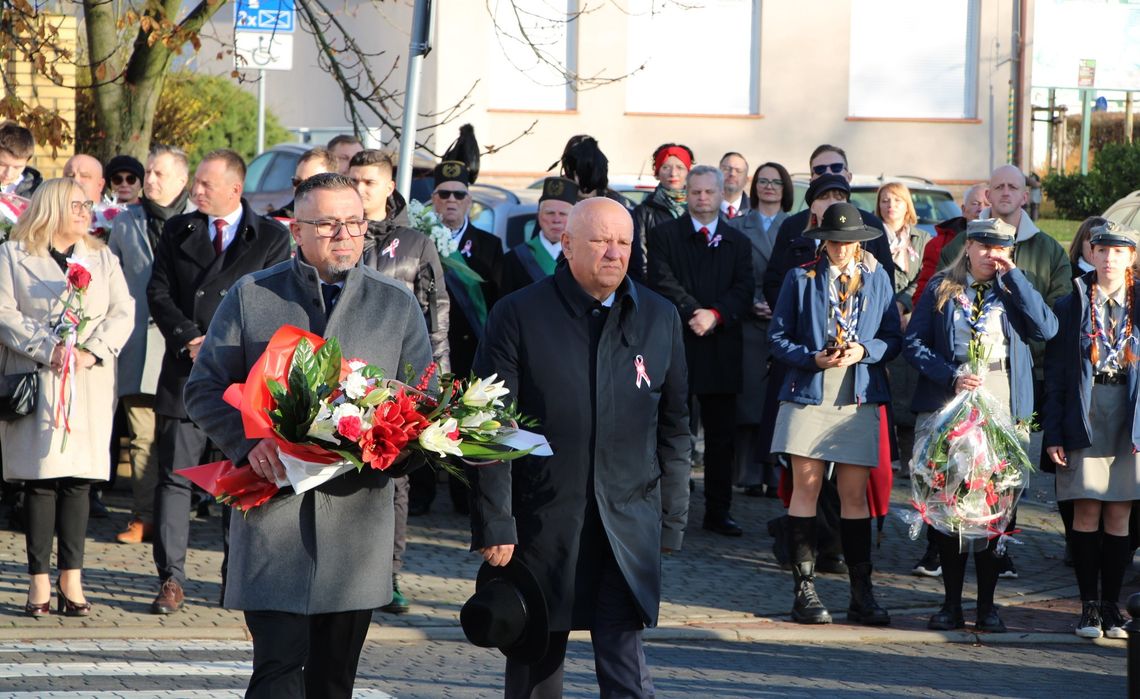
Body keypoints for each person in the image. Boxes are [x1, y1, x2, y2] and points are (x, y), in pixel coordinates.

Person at [183, 172, 432, 697]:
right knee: (275, 674)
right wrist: (250, 442)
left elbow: (422, 412)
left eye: (355, 222)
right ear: (296, 230)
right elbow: (203, 389)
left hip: (355, 529)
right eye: (328, 224)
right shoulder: (254, 295)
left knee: (333, 682)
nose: (345, 235)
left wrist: (395, 446)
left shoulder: (396, 304)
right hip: (275, 521)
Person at [469, 196, 690, 698]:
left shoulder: (659, 317)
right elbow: (488, 423)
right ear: (566, 245)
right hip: (541, 522)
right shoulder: (518, 313)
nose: (614, 253)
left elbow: (676, 426)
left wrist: (671, 519)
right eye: (600, 240)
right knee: (535, 668)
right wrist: (496, 521)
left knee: (625, 667)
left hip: (627, 523)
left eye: (623, 242)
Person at [146, 149, 291, 615]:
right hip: (186, 371)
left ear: (235, 188)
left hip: (241, 379)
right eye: (196, 183)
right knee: (174, 478)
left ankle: (235, 578)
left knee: (239, 479)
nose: (196, 191)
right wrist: (189, 337)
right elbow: (159, 291)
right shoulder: (178, 229)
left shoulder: (269, 236)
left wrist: (224, 345)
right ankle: (171, 578)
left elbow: (272, 302)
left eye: (206, 184)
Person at [905, 218, 1057, 632]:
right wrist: (947, 373)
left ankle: (987, 607)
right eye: (986, 247)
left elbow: (1046, 328)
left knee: (997, 506)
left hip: (1002, 395)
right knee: (950, 504)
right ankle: (951, 604)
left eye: (1002, 248)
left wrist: (1017, 280)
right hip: (951, 397)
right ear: (969, 247)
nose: (993, 255)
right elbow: (913, 342)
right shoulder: (942, 287)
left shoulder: (1014, 291)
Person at [0, 178, 133, 617]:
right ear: (53, 207)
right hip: (38, 378)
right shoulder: (13, 255)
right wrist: (47, 347)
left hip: (87, 382)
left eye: (88, 204)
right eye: (76, 204)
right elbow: (4, 313)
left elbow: (122, 311)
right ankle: (38, 582)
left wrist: (92, 351)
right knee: (41, 481)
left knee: (79, 480)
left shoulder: (101, 256)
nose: (85, 211)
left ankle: (71, 580)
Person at [767, 202, 902, 626]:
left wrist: (864, 351)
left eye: (848, 243)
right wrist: (811, 358)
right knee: (804, 489)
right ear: (822, 240)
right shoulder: (801, 277)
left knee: (854, 496)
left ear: (860, 242)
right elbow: (777, 337)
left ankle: (862, 592)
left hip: (856, 393)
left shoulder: (878, 278)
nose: (841, 250)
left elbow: (892, 338)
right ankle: (803, 591)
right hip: (809, 391)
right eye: (833, 242)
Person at [940, 164, 1073, 580]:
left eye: (1012, 186)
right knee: (956, 470)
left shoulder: (1047, 249)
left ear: (1024, 195)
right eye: (996, 186)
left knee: (1004, 472)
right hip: (961, 385)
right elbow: (942, 292)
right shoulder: (963, 243)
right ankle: (949, 552)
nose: (1003, 192)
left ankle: (999, 552)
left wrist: (1019, 348)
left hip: (1020, 375)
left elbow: (1056, 316)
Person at [351, 147, 451, 613]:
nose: (359, 190)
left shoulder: (414, 243)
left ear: (390, 186)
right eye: (354, 180)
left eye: (369, 182)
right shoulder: (338, 234)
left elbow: (437, 318)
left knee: (395, 481)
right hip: (344, 380)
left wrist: (438, 384)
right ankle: (345, 571)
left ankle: (387, 576)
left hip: (398, 382)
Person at [1044, 220, 1140, 640]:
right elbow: (1057, 376)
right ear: (1090, 253)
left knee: (1120, 512)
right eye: (1101, 250)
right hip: (1085, 411)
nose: (1109, 259)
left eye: (1118, 251)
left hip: (1130, 413)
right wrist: (1053, 433)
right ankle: (1087, 607)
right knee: (1086, 510)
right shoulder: (1073, 304)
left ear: (1131, 257)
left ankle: (1112, 607)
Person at [647, 165, 753, 537]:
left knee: (722, 440)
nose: (702, 198)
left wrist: (717, 314)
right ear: (686, 194)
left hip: (722, 348)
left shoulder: (738, 242)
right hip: (677, 345)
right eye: (696, 192)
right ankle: (668, 510)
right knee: (672, 433)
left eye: (709, 192)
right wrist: (694, 311)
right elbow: (660, 279)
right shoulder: (664, 236)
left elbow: (744, 288)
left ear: (723, 194)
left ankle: (718, 511)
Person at [107, 144, 192, 545]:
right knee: (141, 436)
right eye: (149, 173)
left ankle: (176, 515)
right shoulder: (127, 221)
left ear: (181, 181)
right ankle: (142, 517)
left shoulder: (198, 222)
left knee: (177, 438)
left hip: (184, 345)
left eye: (159, 174)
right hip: (139, 343)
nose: (150, 180)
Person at [415, 126, 500, 517]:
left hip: (471, 348)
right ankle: (422, 493)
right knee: (423, 417)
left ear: (470, 201)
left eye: (459, 195)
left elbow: (495, 301)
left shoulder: (489, 246)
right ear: (432, 199)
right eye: (443, 194)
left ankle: (467, 497)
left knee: (467, 421)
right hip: (429, 345)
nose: (451, 201)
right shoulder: (418, 240)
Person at [732, 161, 793, 498]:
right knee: (749, 402)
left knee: (778, 401)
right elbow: (733, 274)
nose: (769, 187)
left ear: (785, 189)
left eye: (776, 182)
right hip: (749, 322)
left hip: (784, 322)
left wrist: (777, 303)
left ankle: (776, 474)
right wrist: (752, 301)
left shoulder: (795, 226)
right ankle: (749, 473)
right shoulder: (738, 225)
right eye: (763, 181)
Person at [911, 183, 988, 309]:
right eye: (975, 204)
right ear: (963, 210)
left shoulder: (1004, 246)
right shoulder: (938, 245)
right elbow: (925, 289)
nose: (981, 209)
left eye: (987, 204)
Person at [500, 176, 576, 295]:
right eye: (550, 213)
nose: (556, 220)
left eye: (563, 214)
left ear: (573, 219)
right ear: (539, 216)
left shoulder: (581, 257)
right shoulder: (513, 260)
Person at [632, 143, 694, 279]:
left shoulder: (699, 208)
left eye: (680, 167)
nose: (673, 173)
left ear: (689, 172)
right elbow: (641, 260)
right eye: (666, 167)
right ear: (657, 172)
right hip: (657, 289)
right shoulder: (644, 212)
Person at [269, 146, 338, 220]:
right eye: (297, 182)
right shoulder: (276, 222)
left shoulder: (344, 224)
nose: (302, 188)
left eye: (312, 183)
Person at [0, 122, 40, 196]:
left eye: (17, 167)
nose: (8, 174)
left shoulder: (37, 191)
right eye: (2, 165)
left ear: (27, 162)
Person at [719, 152, 750, 219]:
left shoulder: (757, 211)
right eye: (726, 169)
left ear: (746, 180)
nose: (732, 174)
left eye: (738, 171)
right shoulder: (703, 208)